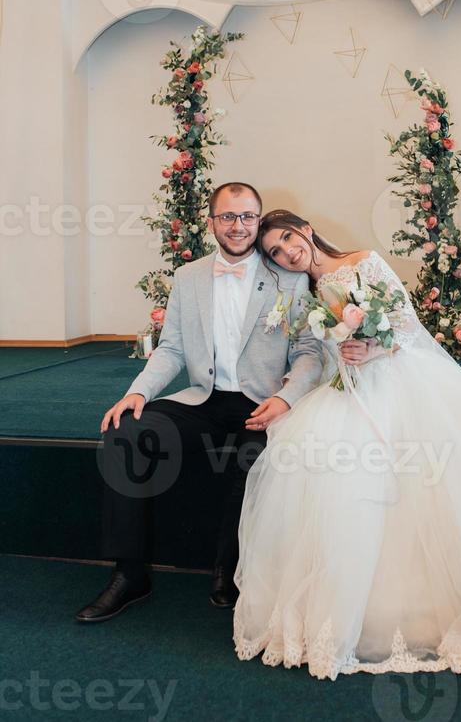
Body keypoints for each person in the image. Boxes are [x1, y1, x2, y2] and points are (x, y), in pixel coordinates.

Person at [233, 209, 461, 679]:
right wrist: (293, 393)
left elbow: (406, 324)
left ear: (305, 230)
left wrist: (374, 347)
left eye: (288, 238)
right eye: (275, 252)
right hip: (344, 393)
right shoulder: (299, 295)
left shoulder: (364, 260)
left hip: (398, 381)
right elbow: (315, 354)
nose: (288, 251)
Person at [75, 186, 323, 623]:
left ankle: (227, 571)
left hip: (260, 403)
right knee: (125, 433)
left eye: (247, 217)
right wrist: (137, 393)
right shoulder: (188, 277)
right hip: (202, 399)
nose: (238, 226)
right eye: (228, 217)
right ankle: (129, 574)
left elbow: (309, 351)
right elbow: (170, 348)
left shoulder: (289, 277)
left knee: (252, 459)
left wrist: (285, 399)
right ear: (211, 222)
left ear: (258, 220)